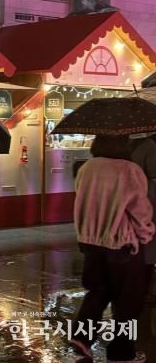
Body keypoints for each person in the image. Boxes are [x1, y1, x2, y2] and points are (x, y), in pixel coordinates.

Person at [69, 135, 155, 362]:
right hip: (121, 243)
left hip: (90, 242)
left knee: (97, 291)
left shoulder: (87, 168)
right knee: (128, 301)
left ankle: (82, 337)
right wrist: (146, 234)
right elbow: (140, 210)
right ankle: (122, 354)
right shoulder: (129, 170)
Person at [130, 134, 156, 300]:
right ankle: (146, 290)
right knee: (148, 242)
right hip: (146, 197)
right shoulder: (148, 145)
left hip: (126, 200)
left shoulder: (119, 144)